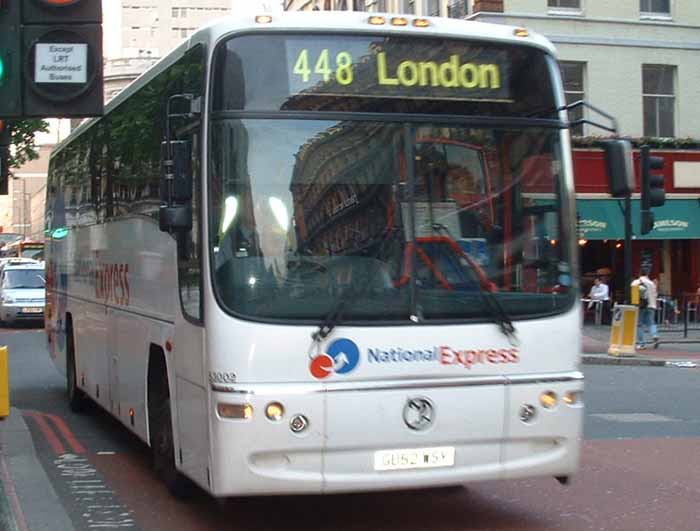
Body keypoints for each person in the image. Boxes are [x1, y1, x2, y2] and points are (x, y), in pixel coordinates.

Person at [631, 266, 658, 349]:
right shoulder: (651, 283)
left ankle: (641, 343)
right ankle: (654, 335)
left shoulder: (635, 282)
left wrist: (635, 305)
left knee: (639, 324)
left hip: (641, 306)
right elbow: (655, 295)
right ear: (647, 274)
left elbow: (634, 296)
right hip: (651, 305)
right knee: (651, 322)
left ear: (639, 273)